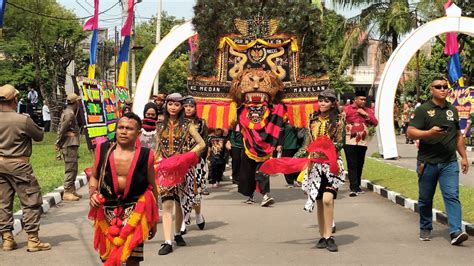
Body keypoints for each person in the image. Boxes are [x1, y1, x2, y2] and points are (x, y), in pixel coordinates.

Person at [88, 112, 159, 265]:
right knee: (108, 258)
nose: (124, 131)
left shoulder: (147, 155)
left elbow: (152, 187)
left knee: (132, 259)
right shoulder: (103, 150)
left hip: (135, 211)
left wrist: (153, 220)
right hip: (107, 211)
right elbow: (94, 176)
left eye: (129, 128)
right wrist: (93, 193)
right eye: (120, 127)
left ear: (138, 133)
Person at [407, 77, 469, 245]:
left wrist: (464, 157)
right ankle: (425, 227)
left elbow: (458, 136)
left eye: (445, 86)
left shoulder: (452, 110)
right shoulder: (423, 110)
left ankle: (455, 231)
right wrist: (428, 134)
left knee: (452, 195)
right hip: (427, 162)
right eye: (438, 86)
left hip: (449, 162)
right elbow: (410, 132)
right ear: (431, 89)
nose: (442, 89)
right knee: (426, 198)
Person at [0, 84, 51, 252]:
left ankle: (7, 240)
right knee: (30, 201)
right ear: (15, 99)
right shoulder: (22, 120)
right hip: (19, 165)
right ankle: (33, 240)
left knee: (3, 202)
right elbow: (39, 135)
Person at [295, 89, 345, 252]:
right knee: (319, 201)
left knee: (327, 199)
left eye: (326, 100)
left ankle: (330, 237)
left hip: (331, 165)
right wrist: (297, 156)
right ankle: (323, 235)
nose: (323, 103)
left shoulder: (338, 120)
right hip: (314, 166)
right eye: (321, 100)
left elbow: (340, 142)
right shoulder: (312, 119)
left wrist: (327, 148)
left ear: (332, 103)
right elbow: (307, 143)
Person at [154, 93, 205, 255]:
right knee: (167, 203)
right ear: (166, 105)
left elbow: (201, 143)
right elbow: (157, 149)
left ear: (181, 106)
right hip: (165, 170)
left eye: (176, 105)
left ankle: (177, 234)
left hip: (181, 169)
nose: (173, 107)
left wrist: (186, 156)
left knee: (178, 202)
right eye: (170, 104)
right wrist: (153, 163)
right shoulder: (159, 125)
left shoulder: (188, 124)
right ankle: (167, 241)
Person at [180, 95, 207, 234]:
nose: (188, 109)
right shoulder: (178, 123)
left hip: (196, 162)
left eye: (191, 106)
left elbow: (203, 145)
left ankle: (197, 214)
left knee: (196, 192)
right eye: (186, 106)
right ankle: (184, 219)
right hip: (181, 162)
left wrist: (196, 158)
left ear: (195, 108)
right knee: (183, 191)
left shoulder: (201, 123)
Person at [344, 90, 378, 196]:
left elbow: (375, 122)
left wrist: (365, 114)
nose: (363, 101)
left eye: (364, 99)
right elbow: (340, 121)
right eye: (361, 99)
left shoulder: (368, 110)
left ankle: (357, 185)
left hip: (362, 142)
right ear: (355, 99)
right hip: (349, 142)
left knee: (360, 163)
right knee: (352, 164)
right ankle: (353, 187)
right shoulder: (347, 109)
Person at [56, 93, 82, 201]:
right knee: (70, 168)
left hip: (72, 143)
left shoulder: (69, 112)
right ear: (75, 102)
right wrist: (58, 142)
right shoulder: (69, 114)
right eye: (78, 101)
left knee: (74, 167)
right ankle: (67, 191)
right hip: (69, 143)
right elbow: (62, 129)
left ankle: (71, 189)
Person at [277, 122, 302, 187]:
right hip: (287, 146)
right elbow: (280, 134)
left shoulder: (298, 120)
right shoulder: (284, 122)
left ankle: (296, 179)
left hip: (297, 146)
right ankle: (290, 182)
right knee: (286, 165)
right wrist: (279, 144)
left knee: (297, 164)